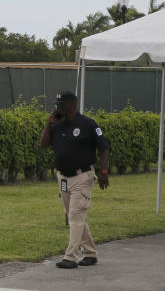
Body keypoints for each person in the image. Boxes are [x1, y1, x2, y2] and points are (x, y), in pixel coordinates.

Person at [40, 90, 110, 269]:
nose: (58, 108)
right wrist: (49, 123)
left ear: (72, 104)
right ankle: (90, 253)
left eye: (61, 104)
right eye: (57, 105)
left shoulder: (87, 124)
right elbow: (44, 143)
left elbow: (103, 148)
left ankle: (70, 257)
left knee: (76, 216)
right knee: (75, 216)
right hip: (63, 177)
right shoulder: (58, 125)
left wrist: (103, 171)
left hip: (82, 177)